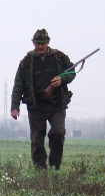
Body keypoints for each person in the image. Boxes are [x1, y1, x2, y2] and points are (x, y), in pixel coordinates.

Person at [11, 29, 76, 170]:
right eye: (37, 43)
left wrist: (62, 79)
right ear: (33, 44)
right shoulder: (26, 62)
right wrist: (14, 106)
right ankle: (40, 170)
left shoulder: (59, 57)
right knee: (37, 140)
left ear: (48, 43)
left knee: (58, 132)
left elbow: (72, 72)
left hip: (56, 104)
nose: (40, 47)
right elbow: (18, 85)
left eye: (43, 43)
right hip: (36, 106)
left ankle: (54, 166)